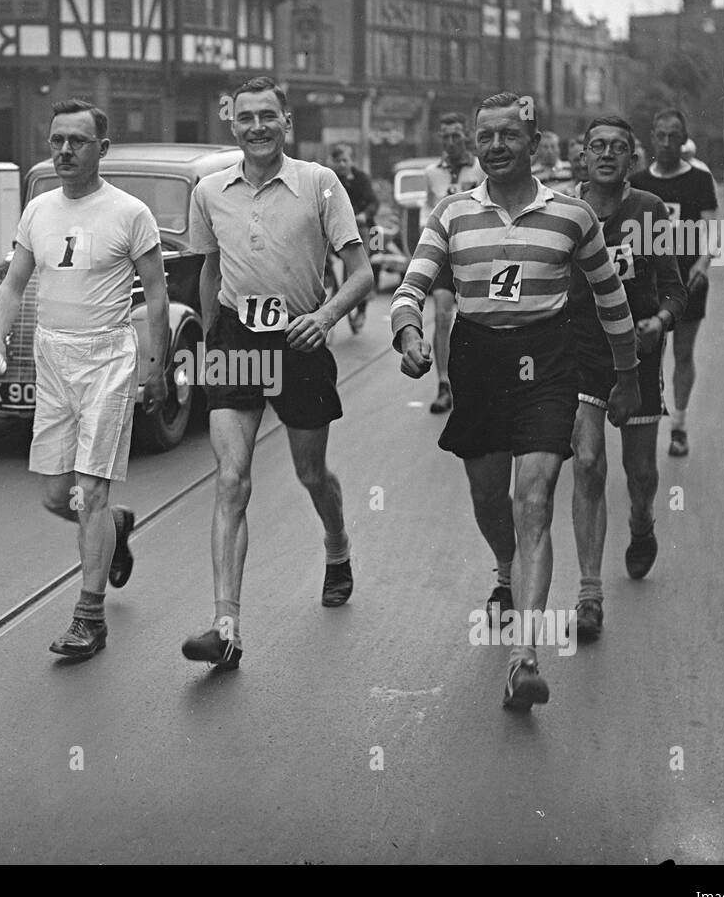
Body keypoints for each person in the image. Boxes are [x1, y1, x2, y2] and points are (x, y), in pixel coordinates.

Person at [391, 91, 640, 711]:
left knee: (533, 498)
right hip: (478, 360)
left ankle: (525, 656)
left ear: (534, 142)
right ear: (475, 146)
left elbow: (611, 300)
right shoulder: (450, 215)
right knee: (488, 497)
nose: (496, 148)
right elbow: (410, 287)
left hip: (547, 363)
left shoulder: (570, 216)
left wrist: (628, 374)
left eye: (509, 136)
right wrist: (409, 333)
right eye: (486, 138)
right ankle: (504, 571)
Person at [183, 76, 373, 669]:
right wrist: (211, 338)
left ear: (286, 123)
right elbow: (209, 271)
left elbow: (362, 273)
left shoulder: (319, 183)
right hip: (238, 339)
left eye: (269, 116)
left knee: (310, 473)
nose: (258, 127)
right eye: (247, 118)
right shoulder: (209, 190)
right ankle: (225, 625)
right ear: (232, 125)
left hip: (301, 339)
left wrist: (325, 316)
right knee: (231, 479)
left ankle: (337, 546)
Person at [0, 99, 169, 660]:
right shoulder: (38, 210)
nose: (64, 150)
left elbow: (157, 293)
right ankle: (114, 526)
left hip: (107, 360)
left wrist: (156, 366)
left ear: (102, 149)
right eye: (57, 139)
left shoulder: (130, 213)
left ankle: (89, 619)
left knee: (88, 491)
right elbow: (14, 284)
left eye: (78, 141)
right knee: (53, 495)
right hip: (52, 359)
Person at [567, 116, 687, 640]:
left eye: (618, 147)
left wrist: (658, 321)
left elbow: (675, 290)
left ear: (632, 159)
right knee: (589, 462)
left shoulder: (649, 211)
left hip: (636, 360)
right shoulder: (565, 212)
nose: (607, 154)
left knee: (640, 473)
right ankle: (589, 593)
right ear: (582, 156)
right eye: (598, 146)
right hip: (581, 359)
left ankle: (642, 522)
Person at [630, 108, 719, 459]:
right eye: (661, 135)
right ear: (653, 137)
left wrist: (703, 262)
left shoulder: (699, 180)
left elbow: (713, 232)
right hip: (648, 287)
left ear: (684, 140)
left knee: (683, 354)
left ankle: (678, 426)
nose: (666, 143)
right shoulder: (639, 182)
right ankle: (644, 423)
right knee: (646, 355)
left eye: (674, 136)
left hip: (687, 284)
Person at [422, 113, 485, 414]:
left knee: (478, 319)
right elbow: (426, 209)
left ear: (466, 137)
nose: (450, 142)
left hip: (477, 254)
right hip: (446, 254)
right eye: (445, 137)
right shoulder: (431, 172)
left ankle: (478, 383)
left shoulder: (480, 168)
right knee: (443, 315)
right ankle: (444, 384)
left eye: (456, 136)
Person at [329, 143, 380, 331]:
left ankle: (362, 308)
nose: (342, 164)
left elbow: (374, 202)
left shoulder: (362, 179)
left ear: (351, 161)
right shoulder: (330, 179)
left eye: (345, 160)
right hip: (338, 229)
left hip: (365, 227)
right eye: (338, 161)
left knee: (366, 263)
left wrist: (364, 215)